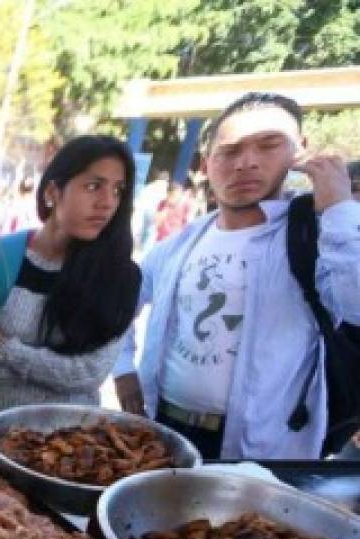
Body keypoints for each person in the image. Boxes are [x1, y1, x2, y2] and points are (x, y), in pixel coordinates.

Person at [114, 92, 360, 459]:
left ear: (300, 153)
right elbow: (120, 302)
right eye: (229, 151)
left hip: (263, 448)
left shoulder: (317, 235)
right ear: (206, 162)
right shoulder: (181, 242)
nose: (246, 163)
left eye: (268, 146)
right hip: (164, 431)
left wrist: (339, 208)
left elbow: (354, 302)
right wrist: (122, 368)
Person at [0, 136, 141, 443]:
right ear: (52, 191)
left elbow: (89, 374)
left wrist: (4, 349)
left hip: (64, 449)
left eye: (117, 190)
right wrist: (52, 377)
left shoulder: (120, 278)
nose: (107, 202)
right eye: (93, 186)